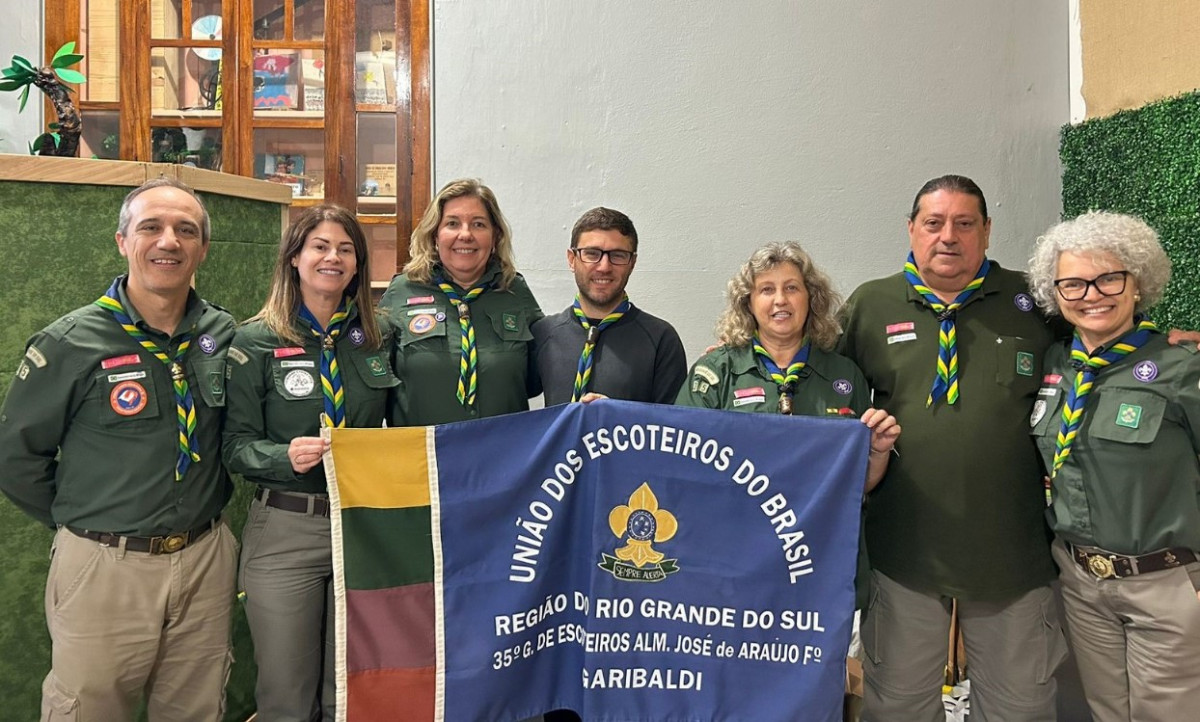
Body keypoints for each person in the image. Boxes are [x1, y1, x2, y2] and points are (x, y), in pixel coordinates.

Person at [0, 178, 237, 720]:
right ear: (122, 241)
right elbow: (16, 457)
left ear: (202, 248)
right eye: (150, 227)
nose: (168, 241)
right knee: (89, 707)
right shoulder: (69, 342)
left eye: (186, 230)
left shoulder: (222, 333)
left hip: (205, 558)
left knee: (198, 707)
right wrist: (85, 521)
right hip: (105, 563)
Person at [838, 174, 1069, 721]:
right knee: (896, 703)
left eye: (965, 224)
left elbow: (1099, 336)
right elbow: (823, 381)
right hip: (903, 545)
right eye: (934, 223)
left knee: (1022, 706)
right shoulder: (871, 304)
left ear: (987, 232)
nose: (949, 237)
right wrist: (740, 346)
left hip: (1012, 548)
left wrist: (1154, 343)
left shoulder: (1034, 301)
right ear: (911, 229)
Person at [223, 205, 397, 721]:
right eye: (320, 246)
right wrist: (283, 456)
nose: (333, 258)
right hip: (287, 527)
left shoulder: (379, 335)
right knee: (287, 697)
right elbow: (234, 444)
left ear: (358, 265)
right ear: (295, 257)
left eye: (345, 249)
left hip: (363, 527)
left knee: (349, 688)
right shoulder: (255, 339)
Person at [1025, 210, 1200, 721]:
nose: (1092, 294)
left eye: (1108, 278)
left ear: (1137, 282)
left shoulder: (1180, 367)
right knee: (1104, 713)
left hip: (1165, 584)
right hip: (1081, 582)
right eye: (1073, 283)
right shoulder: (1054, 364)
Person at [676, 241, 899, 488]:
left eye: (792, 288)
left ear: (811, 298)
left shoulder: (844, 374)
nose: (780, 300)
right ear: (748, 302)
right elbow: (684, 468)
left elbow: (857, 486)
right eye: (767, 290)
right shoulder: (715, 372)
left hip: (818, 526)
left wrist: (878, 452)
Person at [380, 178, 542, 425]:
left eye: (478, 224)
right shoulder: (402, 291)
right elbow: (375, 380)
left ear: (495, 235)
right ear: (435, 234)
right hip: (424, 457)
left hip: (502, 455)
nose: (465, 234)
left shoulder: (514, 291)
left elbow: (536, 379)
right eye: (452, 223)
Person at [532, 207, 686, 405]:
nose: (604, 266)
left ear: (632, 262)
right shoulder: (543, 333)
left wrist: (616, 418)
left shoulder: (661, 339)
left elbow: (671, 425)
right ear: (572, 259)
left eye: (618, 255)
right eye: (591, 253)